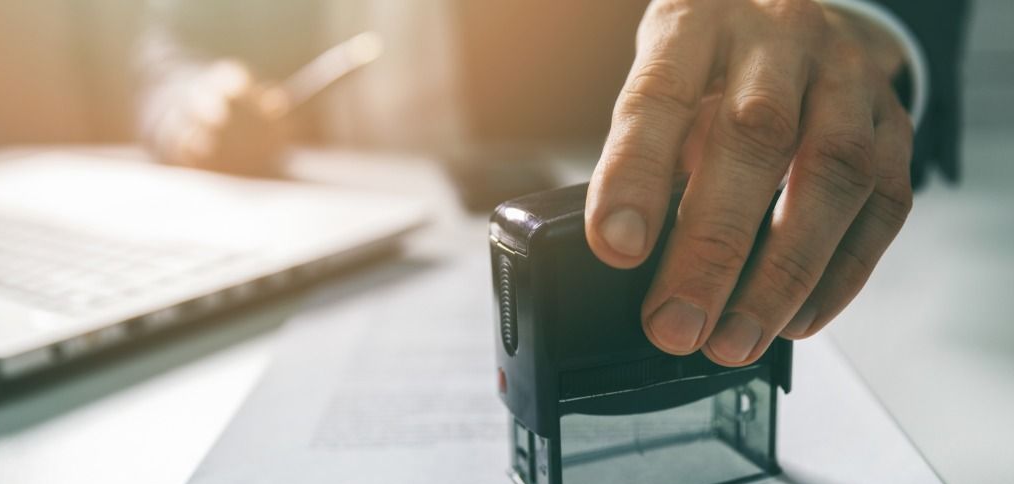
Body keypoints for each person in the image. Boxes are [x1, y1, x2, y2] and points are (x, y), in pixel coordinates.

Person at [138, 0, 971, 366]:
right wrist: (186, 94)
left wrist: (852, 23)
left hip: (597, 215)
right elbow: (164, 35)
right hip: (314, 219)